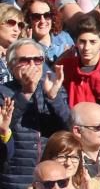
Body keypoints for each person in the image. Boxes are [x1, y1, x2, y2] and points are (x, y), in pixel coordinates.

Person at [0, 38, 72, 187]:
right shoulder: (2, 92)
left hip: (50, 178)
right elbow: (4, 128)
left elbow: (69, 127)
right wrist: (25, 93)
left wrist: (53, 98)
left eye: (38, 60)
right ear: (11, 65)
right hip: (15, 178)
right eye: (25, 60)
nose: (32, 65)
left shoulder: (51, 87)